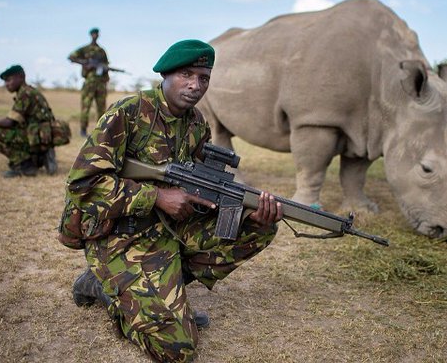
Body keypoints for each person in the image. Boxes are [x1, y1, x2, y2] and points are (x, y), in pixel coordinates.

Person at [62, 39, 282, 362]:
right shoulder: (128, 114)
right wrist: (156, 197)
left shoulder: (197, 125)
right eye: (187, 74)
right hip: (121, 235)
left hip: (169, 231)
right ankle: (104, 287)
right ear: (165, 73)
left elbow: (200, 189)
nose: (196, 85)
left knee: (260, 227)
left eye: (204, 78)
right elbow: (83, 184)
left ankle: (169, 289)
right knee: (178, 347)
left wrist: (247, 212)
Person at [0, 65, 57, 178]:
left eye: (9, 80)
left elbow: (9, 122)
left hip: (35, 137)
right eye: (5, 81)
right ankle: (38, 156)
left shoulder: (25, 94)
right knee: (10, 131)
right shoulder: (30, 91)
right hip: (39, 136)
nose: (6, 84)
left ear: (21, 77)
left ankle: (25, 165)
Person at [68, 27, 111, 137]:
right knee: (85, 106)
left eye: (97, 33)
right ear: (90, 35)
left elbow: (106, 65)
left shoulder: (102, 51)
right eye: (93, 33)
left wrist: (106, 74)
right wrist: (85, 63)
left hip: (101, 83)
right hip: (89, 83)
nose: (95, 35)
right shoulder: (85, 49)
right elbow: (71, 57)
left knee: (101, 107)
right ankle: (83, 130)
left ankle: (101, 131)